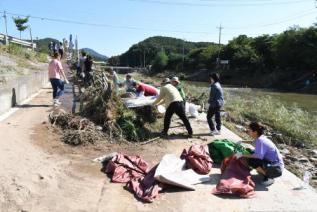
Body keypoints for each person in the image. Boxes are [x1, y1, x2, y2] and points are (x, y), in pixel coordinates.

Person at [235, 122, 284, 186]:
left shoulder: (261, 141)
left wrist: (241, 154)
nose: (248, 131)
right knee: (251, 152)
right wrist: (242, 141)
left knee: (252, 160)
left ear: (255, 132)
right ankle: (263, 170)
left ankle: (269, 177)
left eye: (250, 130)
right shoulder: (260, 138)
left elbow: (258, 156)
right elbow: (253, 142)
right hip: (272, 163)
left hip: (276, 168)